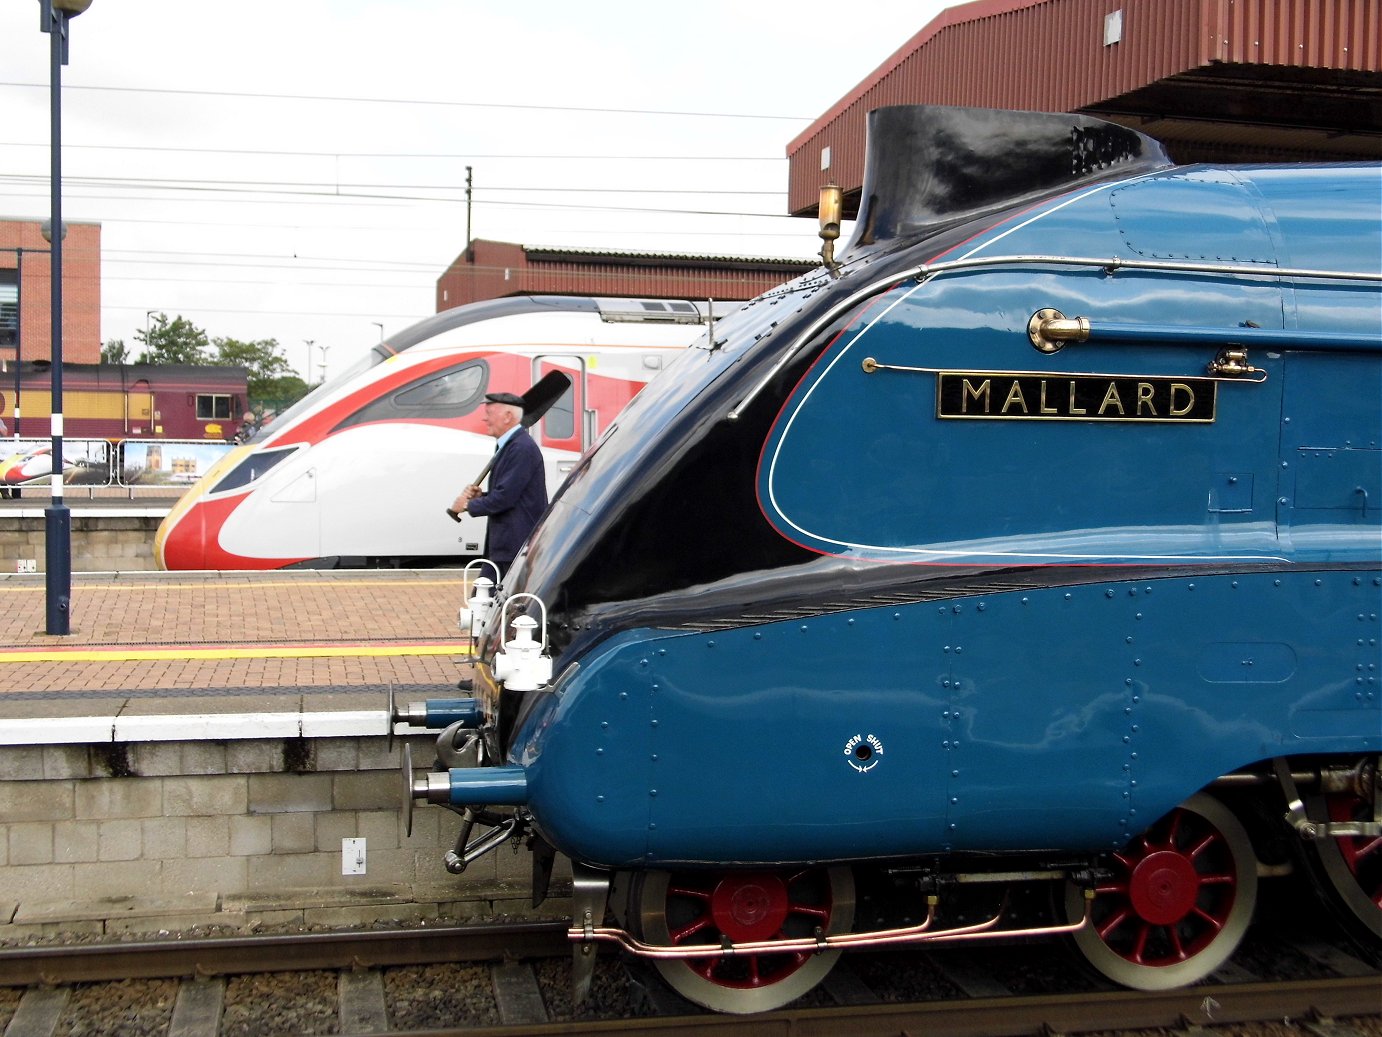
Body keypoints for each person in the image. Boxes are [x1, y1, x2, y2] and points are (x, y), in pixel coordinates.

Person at [451, 391, 547, 577]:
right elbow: (510, 492)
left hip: (515, 545)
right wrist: (483, 497)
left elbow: (505, 498)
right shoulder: (510, 445)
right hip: (505, 545)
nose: (485, 419)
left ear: (508, 417)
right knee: (485, 598)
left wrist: (467, 505)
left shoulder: (521, 448)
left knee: (491, 599)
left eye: (489, 414)